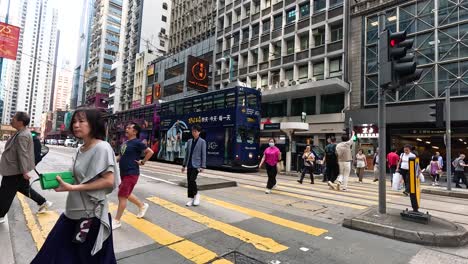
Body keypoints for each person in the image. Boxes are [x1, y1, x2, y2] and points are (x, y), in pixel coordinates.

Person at [31, 108, 119, 263]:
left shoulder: (102, 147)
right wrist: (59, 182)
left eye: (81, 121)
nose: (76, 125)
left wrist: (74, 188)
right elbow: (78, 177)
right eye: (74, 122)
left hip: (89, 217)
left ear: (93, 123)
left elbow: (108, 181)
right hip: (72, 212)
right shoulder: (80, 149)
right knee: (55, 255)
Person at [0, 112, 53, 224]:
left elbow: (22, 154)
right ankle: (43, 202)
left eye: (14, 118)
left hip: (14, 170)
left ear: (20, 122)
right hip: (15, 169)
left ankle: (0, 215)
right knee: (23, 188)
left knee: (5, 193)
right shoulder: (21, 132)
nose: (11, 119)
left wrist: (24, 171)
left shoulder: (23, 135)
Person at [113, 122, 154, 230]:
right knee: (126, 193)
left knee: (122, 195)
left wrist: (143, 161)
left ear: (135, 131)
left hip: (132, 173)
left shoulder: (137, 142)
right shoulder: (125, 143)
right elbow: (120, 156)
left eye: (129, 128)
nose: (126, 129)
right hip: (123, 173)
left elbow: (150, 152)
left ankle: (117, 221)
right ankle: (142, 205)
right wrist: (110, 161)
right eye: (126, 127)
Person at [181, 125, 206, 206]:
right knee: (189, 182)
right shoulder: (189, 141)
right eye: (193, 131)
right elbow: (187, 154)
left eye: (195, 131)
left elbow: (203, 155)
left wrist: (203, 166)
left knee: (192, 180)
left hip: (197, 165)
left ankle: (197, 195)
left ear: (199, 132)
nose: (194, 133)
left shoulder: (202, 142)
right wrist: (184, 165)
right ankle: (191, 199)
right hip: (189, 164)